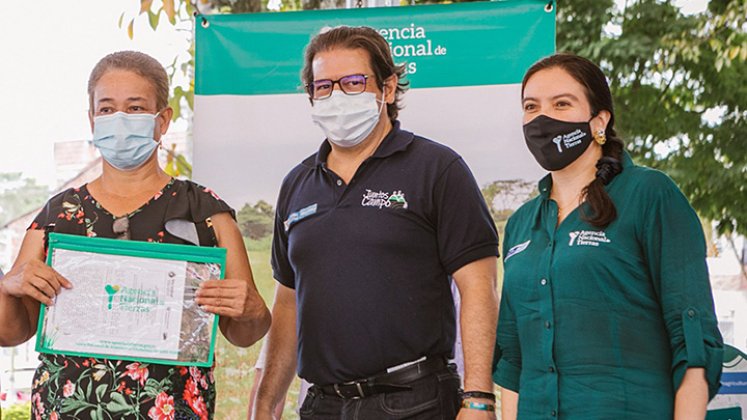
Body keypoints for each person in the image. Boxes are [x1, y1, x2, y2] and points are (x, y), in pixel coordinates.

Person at [0, 51, 271, 419]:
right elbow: (11, 333)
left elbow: (245, 332)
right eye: (107, 109)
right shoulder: (57, 215)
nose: (120, 120)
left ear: (162, 121)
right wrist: (7, 286)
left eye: (136, 108)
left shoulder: (205, 213)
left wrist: (252, 308)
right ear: (92, 119)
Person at [253, 26, 500, 419]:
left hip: (415, 401)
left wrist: (478, 399)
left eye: (353, 82)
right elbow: (288, 304)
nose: (337, 96)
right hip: (323, 405)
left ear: (387, 88)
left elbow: (478, 286)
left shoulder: (437, 169)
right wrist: (264, 405)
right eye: (323, 87)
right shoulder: (297, 184)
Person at [493, 53, 723, 419]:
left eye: (562, 104)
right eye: (531, 106)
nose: (542, 118)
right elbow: (513, 360)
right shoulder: (522, 223)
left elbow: (693, 340)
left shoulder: (649, 195)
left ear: (599, 120)